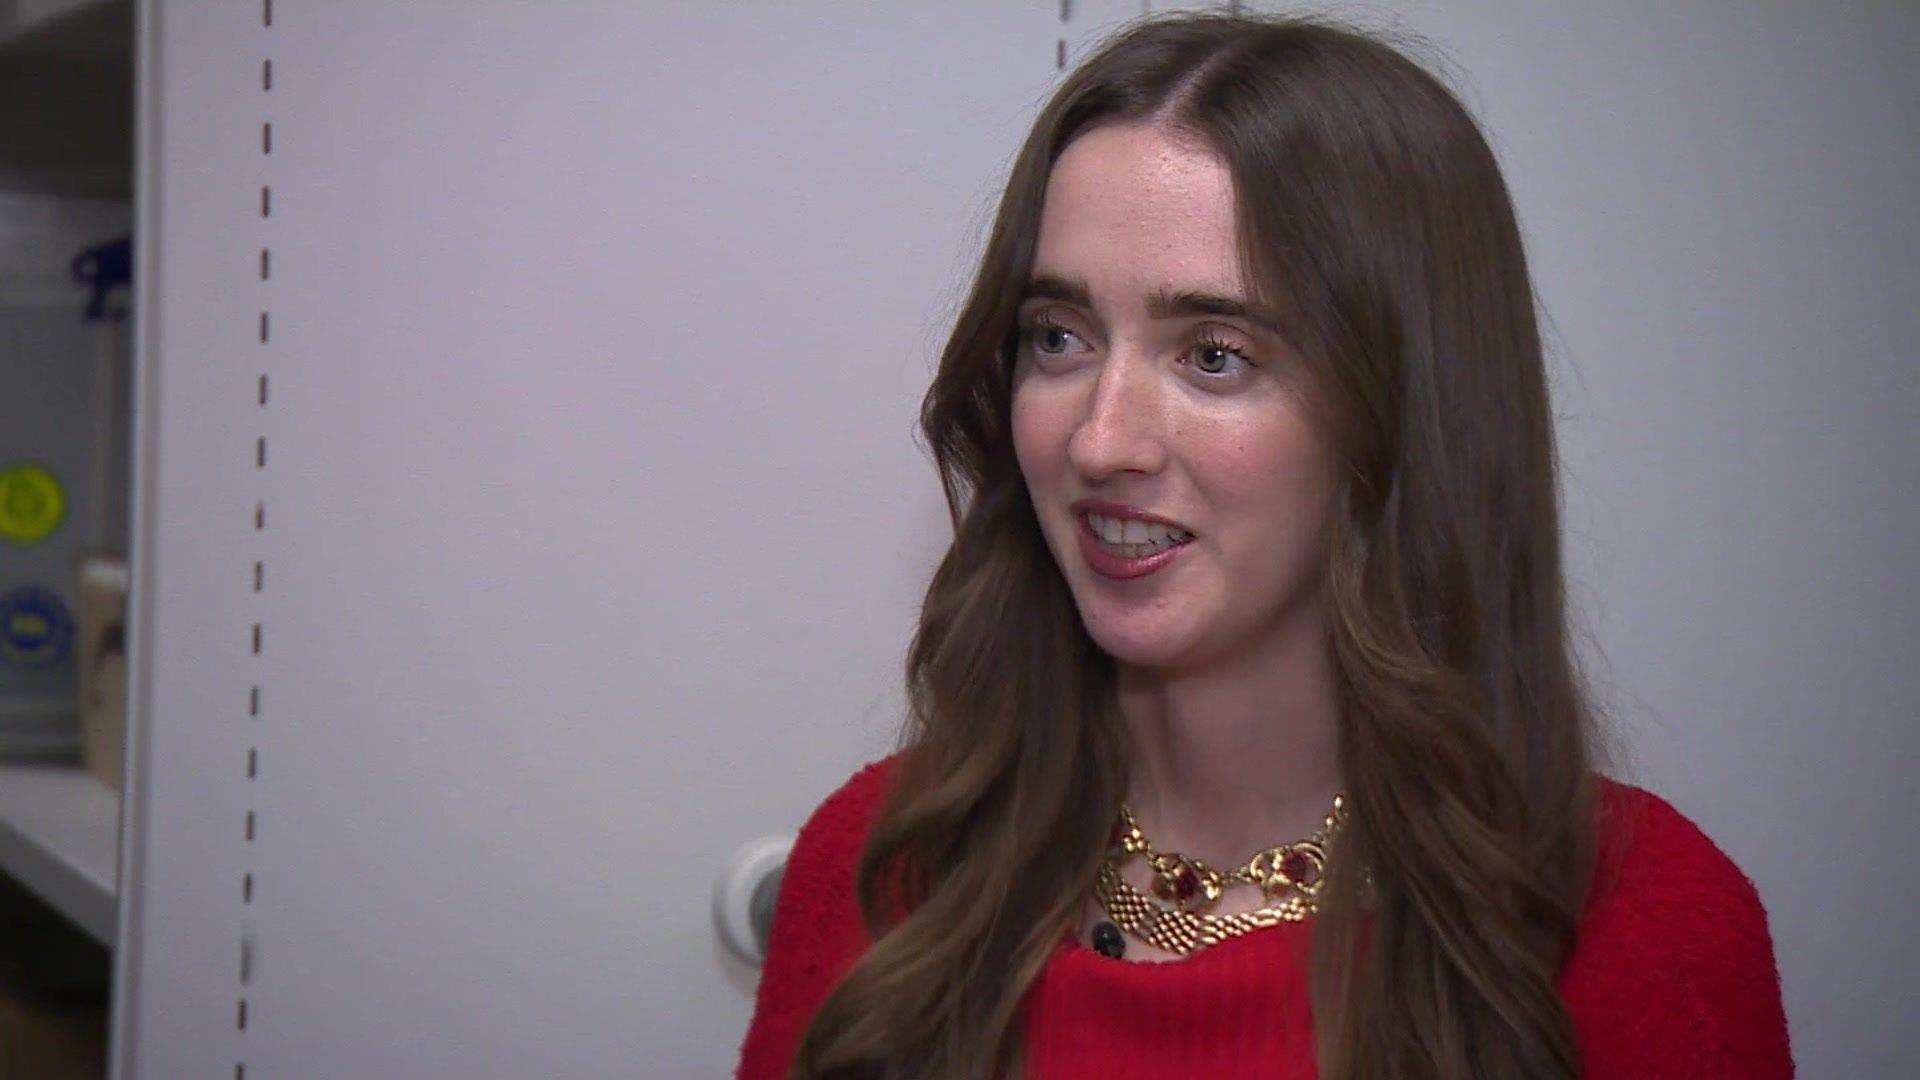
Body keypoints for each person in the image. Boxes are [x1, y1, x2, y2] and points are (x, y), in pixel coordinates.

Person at [738, 11, 1792, 1079]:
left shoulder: (1645, 929)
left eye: (1213, 355)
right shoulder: (882, 864)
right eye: (1059, 337)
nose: (1101, 441)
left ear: (1400, 412)